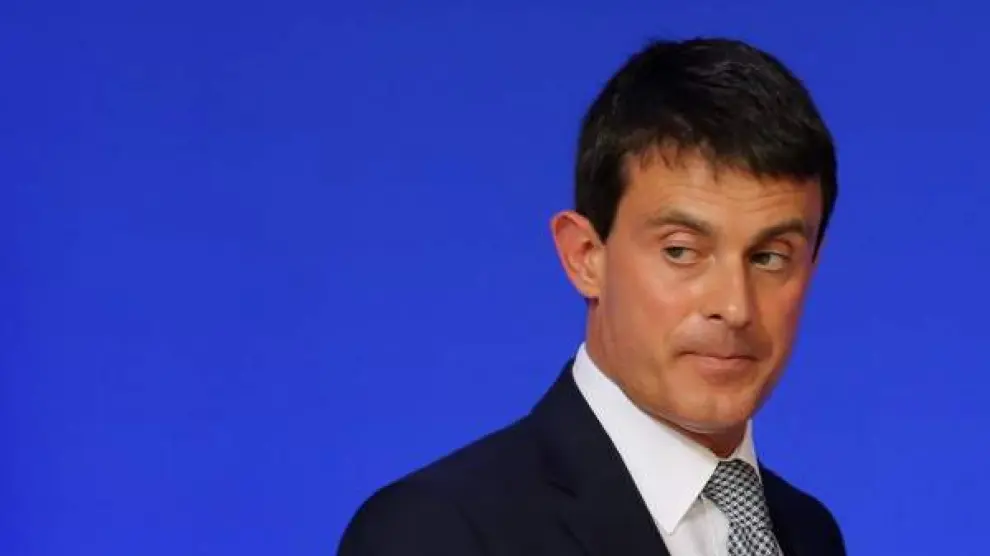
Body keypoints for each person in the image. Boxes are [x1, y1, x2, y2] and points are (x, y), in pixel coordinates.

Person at [337, 36, 845, 556]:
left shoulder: (808, 534)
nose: (735, 307)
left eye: (769, 258)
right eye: (681, 251)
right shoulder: (434, 533)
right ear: (585, 256)